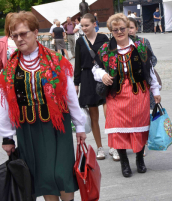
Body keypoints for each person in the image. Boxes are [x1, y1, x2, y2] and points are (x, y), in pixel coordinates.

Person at [0, 11, 86, 201]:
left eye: (24, 33)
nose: (19, 39)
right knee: (44, 176)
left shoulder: (56, 61)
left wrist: (79, 125)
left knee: (61, 174)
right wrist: (7, 137)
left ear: (36, 32)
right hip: (29, 129)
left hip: (57, 126)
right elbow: (5, 105)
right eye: (15, 35)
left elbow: (70, 95)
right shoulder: (9, 70)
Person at [92, 13, 161, 178]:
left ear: (127, 28)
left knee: (140, 128)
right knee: (119, 130)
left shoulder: (140, 46)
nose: (119, 32)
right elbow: (95, 67)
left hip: (139, 93)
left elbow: (149, 70)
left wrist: (156, 91)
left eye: (122, 28)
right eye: (115, 30)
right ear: (111, 31)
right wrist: (102, 75)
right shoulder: (106, 49)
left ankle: (139, 160)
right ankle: (124, 163)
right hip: (116, 95)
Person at [74, 14, 119, 161]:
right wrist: (76, 83)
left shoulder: (103, 39)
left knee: (109, 114)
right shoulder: (80, 41)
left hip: (103, 78)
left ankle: (113, 146)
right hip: (87, 79)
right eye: (82, 26)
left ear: (94, 24)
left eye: (86, 25)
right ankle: (100, 147)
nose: (84, 28)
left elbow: (111, 58)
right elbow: (78, 63)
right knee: (94, 117)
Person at [128, 17, 158, 109]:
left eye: (132, 28)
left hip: (144, 78)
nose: (129, 30)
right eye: (127, 28)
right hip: (128, 82)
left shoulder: (143, 42)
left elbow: (153, 58)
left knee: (146, 107)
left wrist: (145, 66)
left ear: (137, 28)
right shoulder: (121, 43)